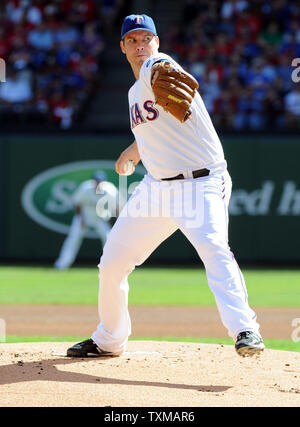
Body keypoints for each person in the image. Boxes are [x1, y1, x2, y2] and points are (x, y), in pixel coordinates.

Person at [67, 14, 264, 358]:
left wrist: (158, 67)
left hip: (201, 183)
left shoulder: (157, 67)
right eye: (133, 40)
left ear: (157, 43)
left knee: (213, 247)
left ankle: (245, 329)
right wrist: (132, 151)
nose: (140, 45)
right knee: (112, 262)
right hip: (156, 188)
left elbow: (158, 68)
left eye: (147, 39)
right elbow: (152, 132)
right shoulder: (133, 94)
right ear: (122, 47)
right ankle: (109, 339)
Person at [54, 171, 117, 270]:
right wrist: (81, 219)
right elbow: (77, 204)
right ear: (93, 181)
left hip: (100, 218)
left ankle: (112, 266)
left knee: (108, 239)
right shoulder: (85, 188)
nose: (98, 183)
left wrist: (111, 222)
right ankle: (62, 265)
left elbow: (115, 208)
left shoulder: (110, 190)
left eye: (100, 181)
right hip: (85, 215)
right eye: (96, 181)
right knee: (74, 238)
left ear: (103, 182)